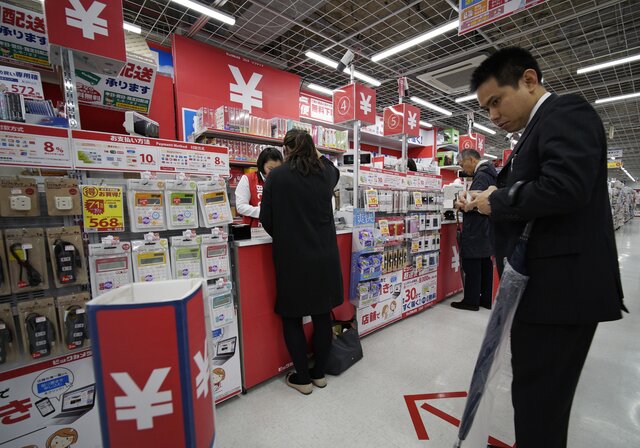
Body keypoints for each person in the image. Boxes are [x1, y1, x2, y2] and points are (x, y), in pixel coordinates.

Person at [463, 47, 626, 448]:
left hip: (560, 293)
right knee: (534, 395)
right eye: (486, 108)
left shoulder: (566, 112)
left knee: (541, 402)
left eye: (496, 101)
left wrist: (497, 200)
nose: (493, 115)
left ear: (529, 80)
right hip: (544, 291)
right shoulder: (535, 130)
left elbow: (564, 186)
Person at [260, 129, 343, 395]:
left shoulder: (277, 176)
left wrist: (286, 237)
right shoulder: (326, 173)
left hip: (292, 258)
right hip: (325, 256)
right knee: (321, 315)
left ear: (286, 149)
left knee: (292, 316)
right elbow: (333, 167)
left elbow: (266, 219)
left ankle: (303, 378)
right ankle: (319, 374)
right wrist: (313, 149)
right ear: (311, 147)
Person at [451, 149, 497, 311]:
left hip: (476, 228)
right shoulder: (489, 172)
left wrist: (460, 205)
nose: (462, 168)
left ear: (470, 160)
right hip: (485, 228)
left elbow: (474, 204)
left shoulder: (481, 175)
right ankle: (485, 299)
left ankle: (471, 301)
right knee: (485, 263)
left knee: (471, 264)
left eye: (462, 164)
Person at [235, 147, 283, 227]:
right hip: (253, 229)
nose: (274, 173)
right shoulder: (247, 179)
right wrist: (265, 212)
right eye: (270, 169)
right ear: (261, 165)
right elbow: (241, 207)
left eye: (278, 169)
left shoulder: (282, 181)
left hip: (277, 228)